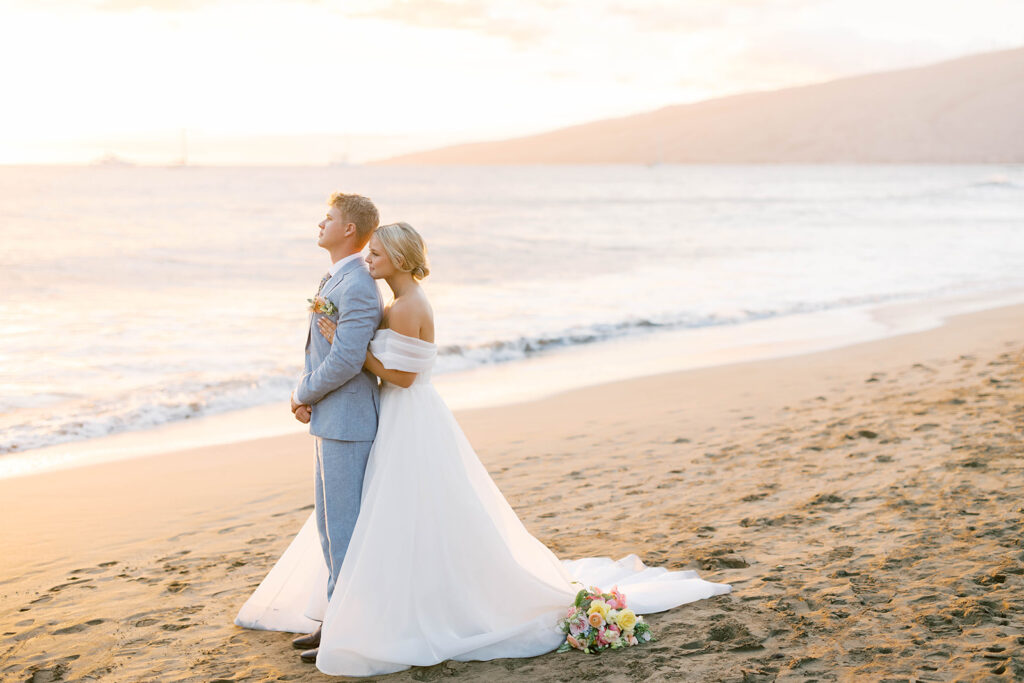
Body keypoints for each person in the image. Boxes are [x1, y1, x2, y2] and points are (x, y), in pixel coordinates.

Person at [236, 222, 731, 676]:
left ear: (401, 259)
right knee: (398, 515)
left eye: (378, 254)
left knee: (408, 512)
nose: (369, 259)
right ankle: (367, 609)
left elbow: (403, 378)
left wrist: (358, 353)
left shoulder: (407, 307)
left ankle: (382, 613)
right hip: (396, 415)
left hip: (409, 412)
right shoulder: (397, 302)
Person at [284, 192, 383, 663]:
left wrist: (304, 392)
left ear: (349, 229)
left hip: (349, 421)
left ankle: (349, 629)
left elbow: (346, 360)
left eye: (328, 218)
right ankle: (334, 617)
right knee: (328, 529)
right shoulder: (336, 277)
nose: (319, 224)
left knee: (345, 532)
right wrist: (308, 396)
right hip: (332, 417)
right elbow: (321, 351)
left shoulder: (358, 283)